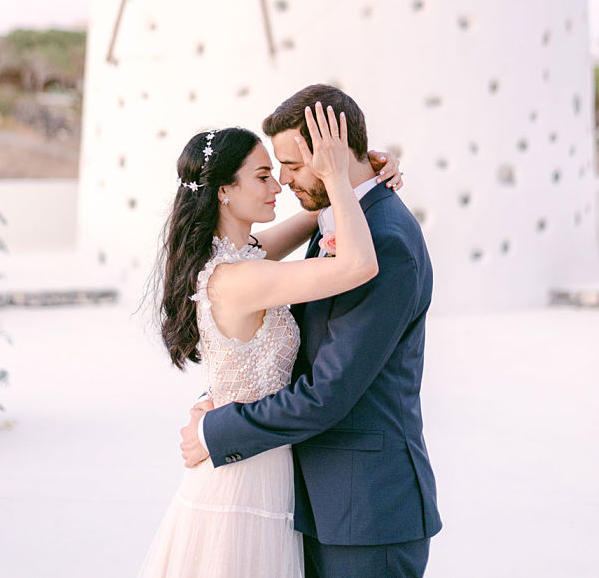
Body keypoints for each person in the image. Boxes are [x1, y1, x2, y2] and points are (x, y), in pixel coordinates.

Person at [181, 84, 442, 578]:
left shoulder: (383, 239)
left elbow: (330, 390)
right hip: (313, 501)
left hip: (367, 511)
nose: (282, 181)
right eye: (270, 170)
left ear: (332, 157)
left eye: (294, 166)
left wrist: (219, 430)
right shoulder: (340, 220)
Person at [138, 104, 401, 578]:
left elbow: (313, 218)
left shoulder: (243, 256)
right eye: (263, 176)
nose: (279, 184)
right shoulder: (239, 278)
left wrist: (366, 177)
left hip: (258, 457)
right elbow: (358, 265)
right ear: (225, 192)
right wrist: (341, 178)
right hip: (243, 480)